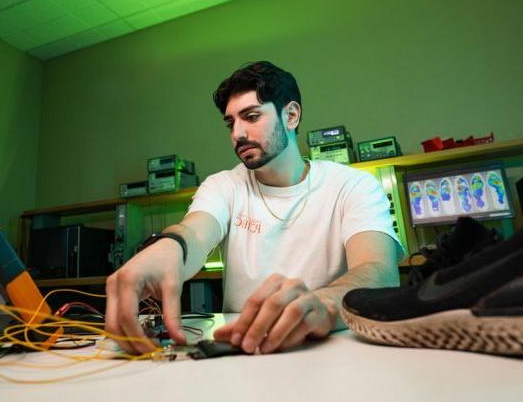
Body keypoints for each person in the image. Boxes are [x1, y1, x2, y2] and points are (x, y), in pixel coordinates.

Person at [105, 61, 404, 355]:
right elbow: (194, 233)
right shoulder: (224, 186)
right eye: (231, 122)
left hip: (334, 351)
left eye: (251, 116)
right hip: (244, 353)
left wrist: (322, 304)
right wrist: (170, 245)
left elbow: (379, 272)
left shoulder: (353, 185)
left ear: (291, 115)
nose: (237, 133)